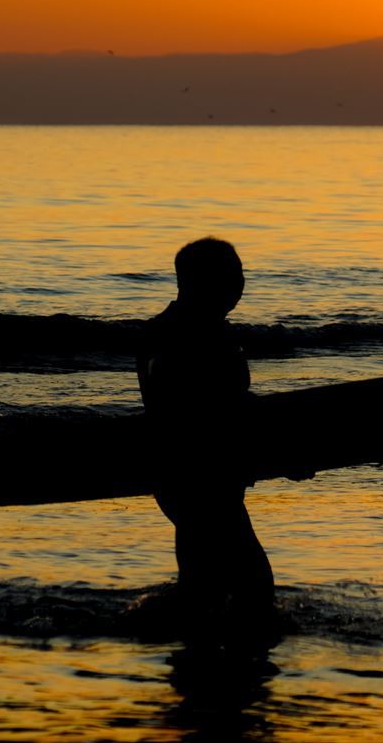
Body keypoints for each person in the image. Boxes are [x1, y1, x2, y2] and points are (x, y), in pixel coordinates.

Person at [138, 237, 276, 644]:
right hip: (195, 475)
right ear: (199, 281)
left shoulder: (198, 329)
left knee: (206, 581)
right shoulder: (178, 334)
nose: (240, 285)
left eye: (240, 276)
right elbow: (198, 407)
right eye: (232, 277)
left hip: (198, 474)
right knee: (250, 585)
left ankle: (196, 668)